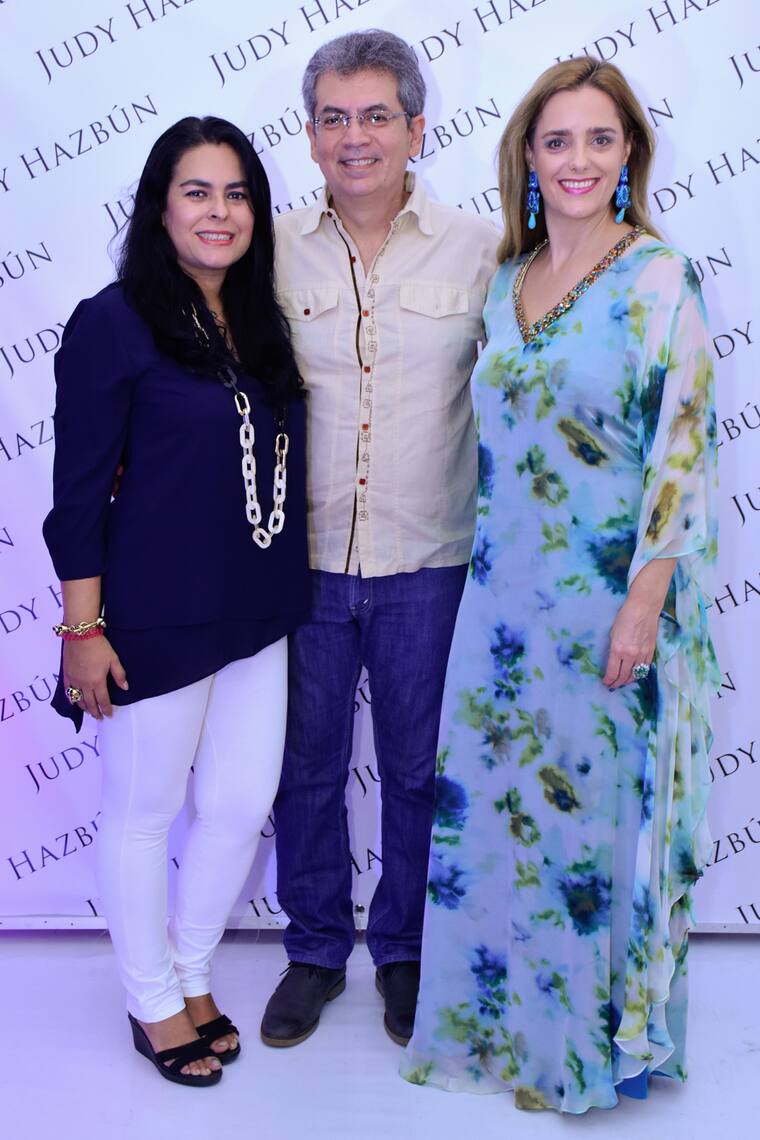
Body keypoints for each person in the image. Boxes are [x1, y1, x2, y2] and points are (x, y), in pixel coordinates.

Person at [402, 59, 718, 1113]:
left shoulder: (660, 277)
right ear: (528, 159)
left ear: (628, 154)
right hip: (500, 607)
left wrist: (643, 603)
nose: (577, 159)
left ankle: (587, 1052)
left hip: (608, 603)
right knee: (499, 817)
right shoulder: (506, 281)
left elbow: (683, 451)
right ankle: (506, 1033)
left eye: (598, 139)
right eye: (557, 141)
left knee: (588, 830)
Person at [42, 116, 309, 1087]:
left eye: (237, 194)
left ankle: (193, 974)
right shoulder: (112, 321)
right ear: (160, 206)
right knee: (144, 812)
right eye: (197, 191)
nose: (218, 211)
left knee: (237, 807)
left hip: (260, 607)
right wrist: (82, 628)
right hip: (152, 614)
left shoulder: (260, 318)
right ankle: (150, 998)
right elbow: (78, 495)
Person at [259, 29, 499, 1049]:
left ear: (416, 127)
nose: (353, 137)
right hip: (300, 564)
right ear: (310, 133)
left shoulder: (482, 248)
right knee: (305, 770)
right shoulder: (267, 248)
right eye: (333, 118)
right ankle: (315, 950)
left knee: (415, 772)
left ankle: (404, 951)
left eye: (375, 116)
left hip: (430, 560)